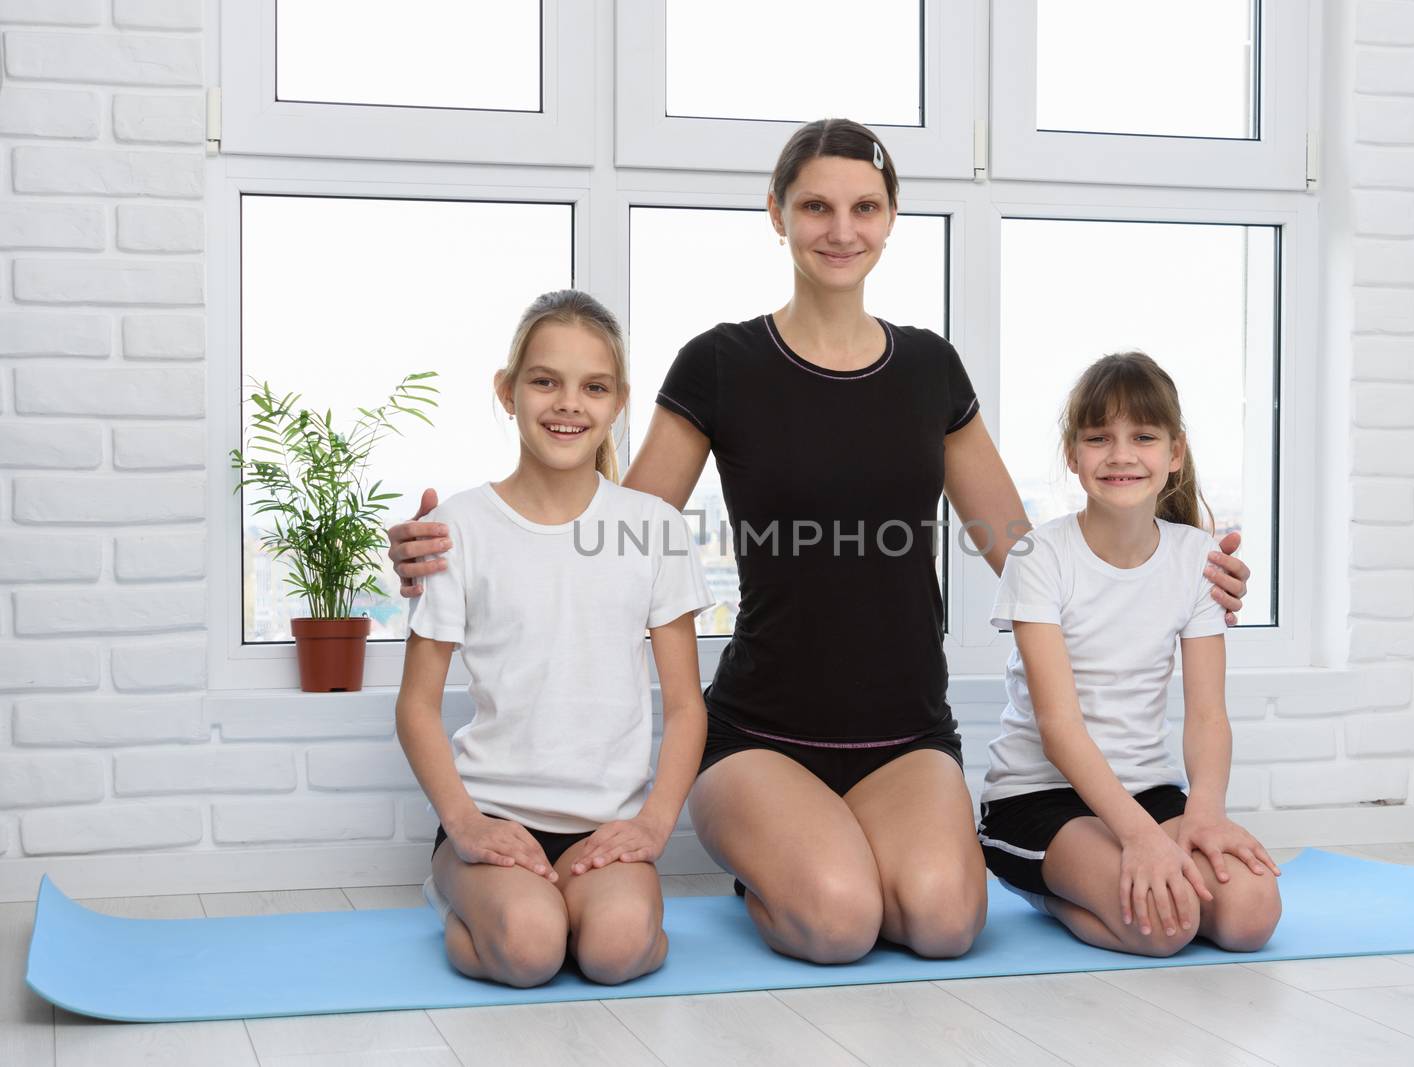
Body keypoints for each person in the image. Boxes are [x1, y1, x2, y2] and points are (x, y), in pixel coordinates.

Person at [387, 119, 1253, 965]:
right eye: (816, 207)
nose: (841, 230)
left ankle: (848, 857)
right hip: (759, 737)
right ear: (777, 212)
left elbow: (1022, 550)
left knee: (949, 924)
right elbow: (609, 529)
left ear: (890, 218)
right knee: (841, 923)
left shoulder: (928, 369)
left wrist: (1174, 564)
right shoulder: (720, 363)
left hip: (907, 736)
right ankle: (791, 870)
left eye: (865, 207)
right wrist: (449, 544)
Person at [395, 289, 713, 988]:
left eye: (593, 387)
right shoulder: (460, 527)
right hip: (494, 814)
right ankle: (461, 890)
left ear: (618, 401)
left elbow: (688, 705)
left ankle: (576, 908)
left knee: (617, 950)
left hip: (608, 829)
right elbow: (417, 704)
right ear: (507, 392)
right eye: (545, 381)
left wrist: (654, 826)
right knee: (531, 951)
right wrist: (466, 823)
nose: (569, 403)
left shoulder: (653, 528)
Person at [977, 351, 1281, 957]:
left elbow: (1206, 716)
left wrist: (1204, 814)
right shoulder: (1039, 557)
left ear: (1175, 452)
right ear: (1073, 455)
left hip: (1145, 788)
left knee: (1250, 915)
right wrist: (1142, 839)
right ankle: (1045, 894)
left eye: (1143, 436)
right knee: (1167, 926)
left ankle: (1134, 865)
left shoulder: (1198, 560)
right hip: (1037, 797)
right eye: (1098, 438)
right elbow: (1058, 728)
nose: (1120, 454)